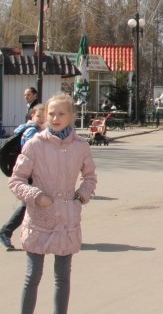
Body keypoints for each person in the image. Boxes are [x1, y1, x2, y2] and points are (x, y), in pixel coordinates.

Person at [9, 93, 97, 314]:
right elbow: (16, 180)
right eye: (51, 113)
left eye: (61, 113)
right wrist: (36, 196)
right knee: (33, 276)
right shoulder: (34, 145)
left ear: (71, 116)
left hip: (67, 220)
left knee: (63, 276)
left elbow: (90, 177)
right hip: (39, 219)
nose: (55, 118)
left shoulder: (80, 146)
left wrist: (81, 197)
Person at [0, 104, 46, 251]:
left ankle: (38, 235)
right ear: (32, 116)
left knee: (35, 205)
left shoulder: (27, 129)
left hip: (27, 173)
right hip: (28, 175)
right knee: (30, 205)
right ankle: (6, 231)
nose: (42, 119)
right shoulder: (31, 131)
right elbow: (33, 151)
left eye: (44, 117)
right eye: (39, 116)